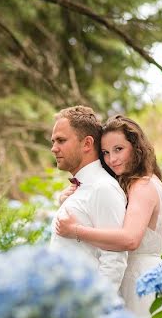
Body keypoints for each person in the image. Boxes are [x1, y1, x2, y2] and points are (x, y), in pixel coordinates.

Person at [54, 114, 162, 318]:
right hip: (143, 277)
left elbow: (130, 239)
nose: (112, 159)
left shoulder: (142, 186)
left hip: (139, 283)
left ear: (137, 146)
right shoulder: (139, 183)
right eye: (106, 153)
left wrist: (77, 230)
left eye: (119, 149)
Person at [48, 106, 128, 305]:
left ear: (87, 143)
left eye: (61, 140)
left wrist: (91, 311)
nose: (53, 148)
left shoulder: (103, 188)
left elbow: (114, 259)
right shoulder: (80, 189)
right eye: (53, 141)